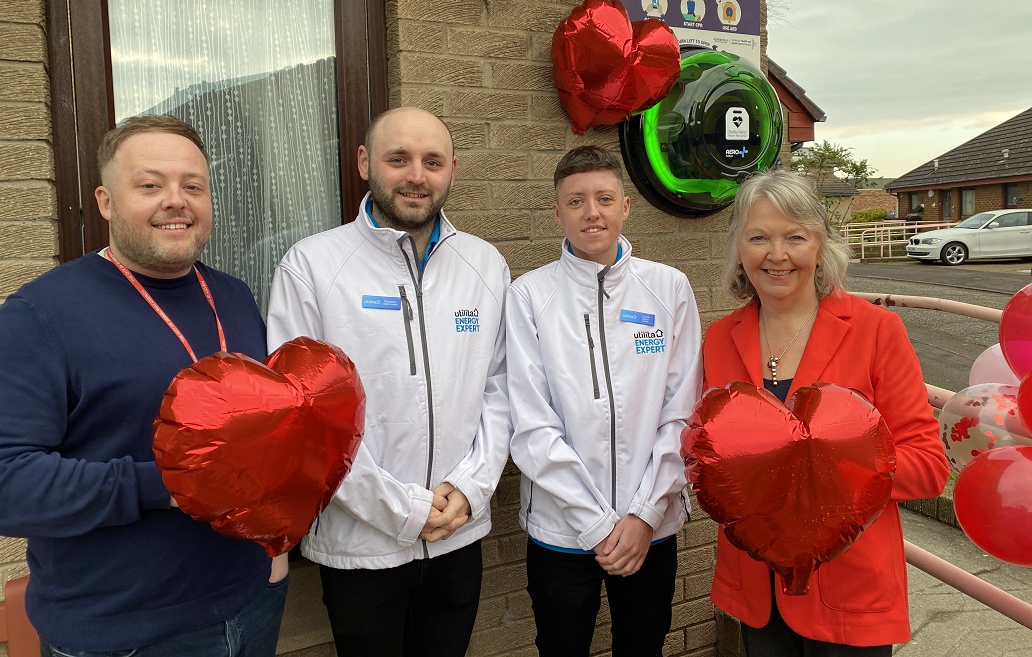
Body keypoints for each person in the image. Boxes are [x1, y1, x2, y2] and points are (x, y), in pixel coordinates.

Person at [0, 114, 287, 656]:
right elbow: (8, 481)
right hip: (124, 634)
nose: (175, 200)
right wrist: (170, 486)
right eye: (150, 185)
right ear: (107, 201)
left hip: (252, 603)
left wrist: (275, 543)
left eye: (192, 186)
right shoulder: (39, 315)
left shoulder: (233, 295)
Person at [266, 106, 510, 657]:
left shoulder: (485, 265)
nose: (416, 175)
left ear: (453, 169)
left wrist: (471, 491)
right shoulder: (311, 266)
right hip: (362, 546)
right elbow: (302, 417)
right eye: (398, 159)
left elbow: (500, 389)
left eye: (432, 161)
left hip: (457, 533)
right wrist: (400, 509)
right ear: (364, 163)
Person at [702, 169, 950, 655]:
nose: (777, 255)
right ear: (739, 248)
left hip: (849, 587)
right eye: (758, 237)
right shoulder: (718, 338)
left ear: (821, 246)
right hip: (756, 587)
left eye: (795, 237)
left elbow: (929, 467)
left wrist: (827, 469)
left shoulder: (876, 330)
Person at [506, 145, 703, 657]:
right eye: (575, 201)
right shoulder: (528, 296)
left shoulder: (669, 289)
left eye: (604, 198)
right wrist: (596, 526)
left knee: (643, 648)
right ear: (557, 212)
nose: (591, 212)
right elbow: (531, 425)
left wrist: (642, 516)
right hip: (561, 532)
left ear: (625, 206)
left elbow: (682, 414)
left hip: (651, 530)